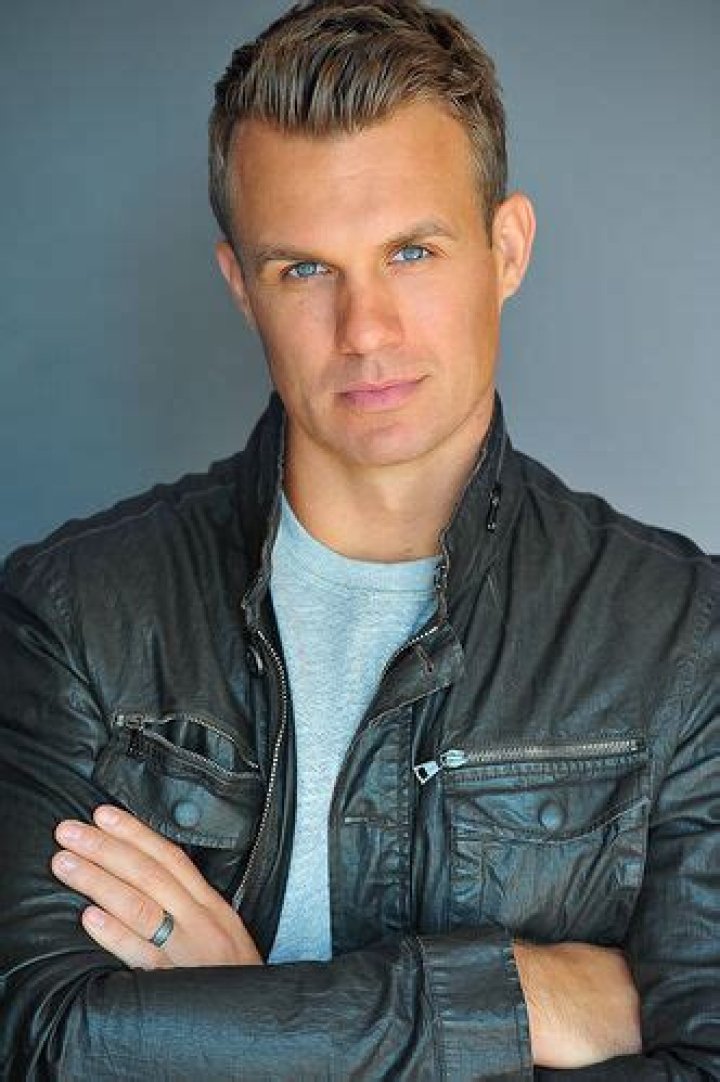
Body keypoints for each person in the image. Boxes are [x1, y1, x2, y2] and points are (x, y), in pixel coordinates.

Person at [0, 0, 717, 1078]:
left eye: (412, 252)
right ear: (241, 287)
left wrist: (237, 1019)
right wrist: (509, 1000)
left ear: (506, 249)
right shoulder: (71, 615)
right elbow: (39, 1040)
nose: (366, 330)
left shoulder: (682, 635)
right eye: (304, 269)